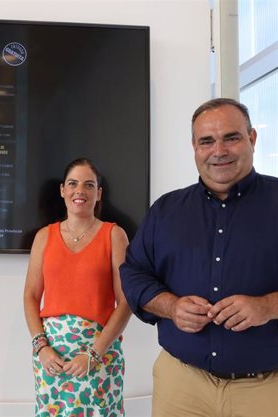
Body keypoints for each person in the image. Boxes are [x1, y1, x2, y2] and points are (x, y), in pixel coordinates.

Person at [120, 98, 278, 417]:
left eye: (231, 137)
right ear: (194, 146)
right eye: (207, 141)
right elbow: (134, 273)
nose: (218, 150)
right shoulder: (165, 211)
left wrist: (268, 306)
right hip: (181, 385)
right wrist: (171, 306)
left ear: (252, 138)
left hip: (266, 389)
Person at [23, 158, 131, 417]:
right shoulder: (44, 236)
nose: (79, 191)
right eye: (73, 183)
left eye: (88, 184)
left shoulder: (114, 235)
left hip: (98, 356)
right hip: (52, 360)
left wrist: (93, 354)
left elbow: (126, 302)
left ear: (99, 193)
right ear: (62, 190)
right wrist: (42, 348)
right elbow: (30, 296)